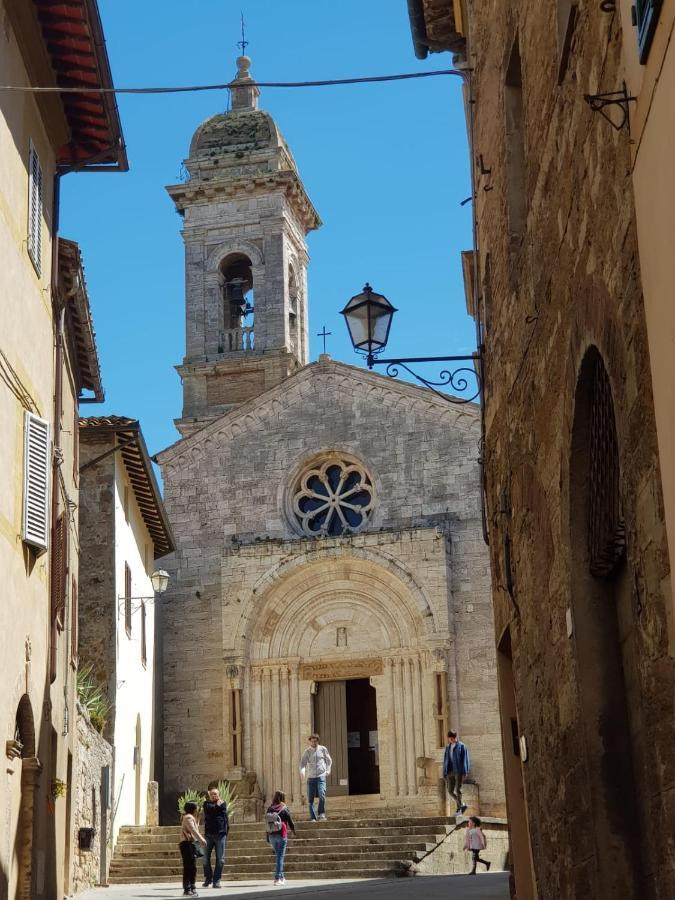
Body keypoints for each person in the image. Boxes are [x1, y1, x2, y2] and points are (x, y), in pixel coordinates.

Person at [265, 789, 296, 885]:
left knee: (278, 855)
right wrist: (294, 831)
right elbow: (291, 822)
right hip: (282, 834)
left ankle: (282, 876)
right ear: (283, 798)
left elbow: (267, 823)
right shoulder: (284, 808)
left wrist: (267, 837)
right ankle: (277, 878)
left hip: (271, 836)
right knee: (280, 857)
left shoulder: (270, 808)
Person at [201, 784, 229, 888]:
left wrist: (226, 831)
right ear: (209, 795)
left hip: (220, 834)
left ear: (219, 795)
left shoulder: (223, 804)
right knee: (205, 858)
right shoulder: (206, 804)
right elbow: (210, 811)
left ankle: (216, 880)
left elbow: (223, 813)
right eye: (212, 794)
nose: (214, 796)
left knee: (220, 859)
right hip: (208, 835)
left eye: (216, 794)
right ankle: (208, 878)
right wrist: (217, 805)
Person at [299, 733, 332, 821]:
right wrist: (302, 771)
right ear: (310, 742)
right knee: (310, 800)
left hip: (321, 776)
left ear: (318, 741)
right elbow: (302, 763)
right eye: (312, 741)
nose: (314, 743)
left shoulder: (323, 749)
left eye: (315, 741)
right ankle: (313, 817)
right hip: (311, 777)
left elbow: (329, 761)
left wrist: (328, 770)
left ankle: (321, 814)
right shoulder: (307, 752)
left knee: (322, 796)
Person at [180, 800, 206, 897]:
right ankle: (187, 889)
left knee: (192, 867)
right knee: (188, 867)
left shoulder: (191, 817)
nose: (198, 809)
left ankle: (192, 886)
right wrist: (202, 839)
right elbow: (193, 830)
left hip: (190, 844)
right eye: (196, 807)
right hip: (187, 844)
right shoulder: (188, 817)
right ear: (193, 809)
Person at [443, 730, 470, 814]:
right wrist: (444, 772)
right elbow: (445, 759)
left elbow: (465, 759)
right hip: (450, 771)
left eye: (451, 738)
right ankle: (461, 804)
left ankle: (459, 809)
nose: (450, 740)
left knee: (458, 790)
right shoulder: (448, 747)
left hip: (458, 771)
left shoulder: (462, 746)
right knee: (450, 790)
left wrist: (465, 771)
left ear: (455, 737)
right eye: (449, 738)